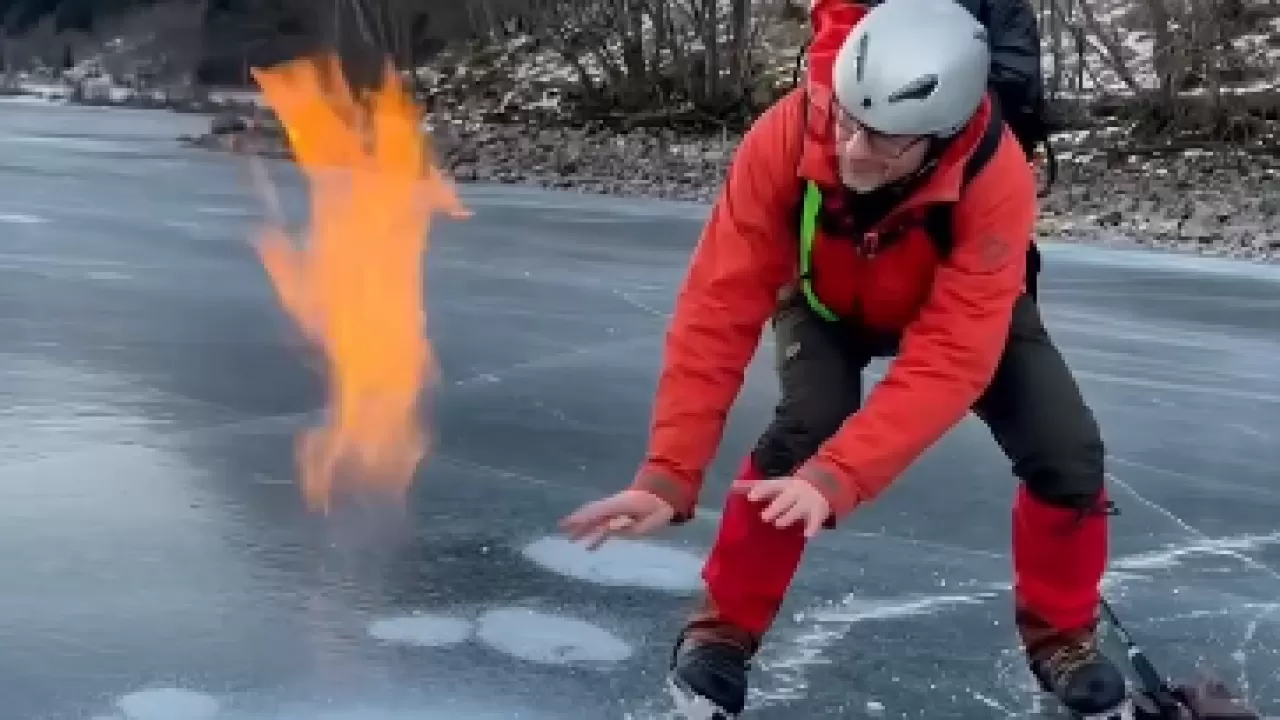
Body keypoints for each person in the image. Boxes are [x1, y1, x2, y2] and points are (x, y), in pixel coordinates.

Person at [559, 0, 1129, 717]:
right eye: (850, 123)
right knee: (806, 428)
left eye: (889, 142)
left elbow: (949, 358)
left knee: (1068, 451)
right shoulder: (788, 133)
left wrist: (841, 479)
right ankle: (721, 634)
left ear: (946, 135)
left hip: (960, 307)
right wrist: (669, 473)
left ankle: (1062, 640)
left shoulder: (996, 177)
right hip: (826, 301)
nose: (857, 153)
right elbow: (717, 307)